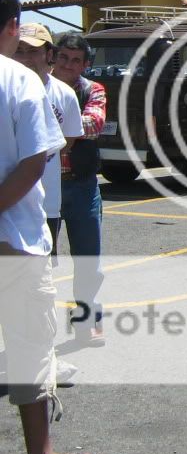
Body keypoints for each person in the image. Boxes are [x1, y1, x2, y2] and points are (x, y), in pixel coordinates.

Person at [0, 0, 101, 454]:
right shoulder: (18, 82)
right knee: (29, 343)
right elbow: (35, 159)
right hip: (13, 237)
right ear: (12, 27)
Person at [15, 23, 85, 384]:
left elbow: (64, 143)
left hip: (44, 206)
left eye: (35, 50)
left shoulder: (61, 94)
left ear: (48, 55)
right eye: (21, 49)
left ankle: (41, 364)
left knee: (39, 287)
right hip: (11, 206)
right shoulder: (9, 89)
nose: (27, 57)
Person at [52, 33, 106, 345]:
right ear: (53, 58)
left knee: (88, 261)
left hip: (83, 186)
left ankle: (86, 321)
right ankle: (35, 328)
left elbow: (94, 124)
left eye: (76, 60)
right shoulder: (37, 87)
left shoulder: (92, 90)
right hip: (44, 187)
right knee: (38, 261)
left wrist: (47, 125)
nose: (68, 65)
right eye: (63, 58)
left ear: (85, 65)